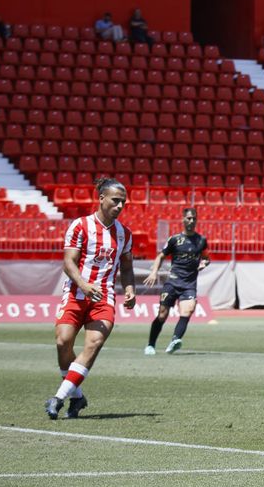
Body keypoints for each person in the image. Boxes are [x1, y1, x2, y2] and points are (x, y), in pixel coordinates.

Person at [44, 178, 136, 420]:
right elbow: (68, 262)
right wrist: (83, 285)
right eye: (115, 200)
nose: (119, 206)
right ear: (101, 198)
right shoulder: (80, 226)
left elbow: (126, 268)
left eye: (123, 202)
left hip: (104, 298)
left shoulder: (124, 234)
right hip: (75, 293)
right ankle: (78, 396)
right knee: (63, 343)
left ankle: (59, 398)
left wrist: (130, 288)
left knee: (93, 344)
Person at [143, 207, 209, 356]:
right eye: (188, 218)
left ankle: (175, 340)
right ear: (183, 220)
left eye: (194, 218)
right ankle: (150, 344)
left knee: (188, 310)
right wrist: (154, 272)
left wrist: (204, 263)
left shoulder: (201, 240)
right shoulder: (174, 239)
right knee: (162, 315)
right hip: (173, 282)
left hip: (189, 284)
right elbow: (161, 256)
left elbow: (206, 257)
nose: (191, 221)